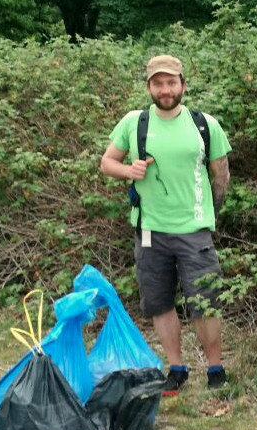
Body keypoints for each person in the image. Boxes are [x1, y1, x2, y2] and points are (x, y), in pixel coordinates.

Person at [99, 55, 232, 395]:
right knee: (159, 303)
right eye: (158, 83)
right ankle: (177, 368)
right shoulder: (134, 123)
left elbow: (221, 175)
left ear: (183, 85)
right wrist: (129, 171)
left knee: (204, 302)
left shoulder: (205, 124)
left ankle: (215, 369)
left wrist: (208, 214)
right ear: (149, 87)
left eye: (171, 82)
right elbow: (106, 163)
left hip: (194, 231)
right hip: (149, 230)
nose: (165, 89)